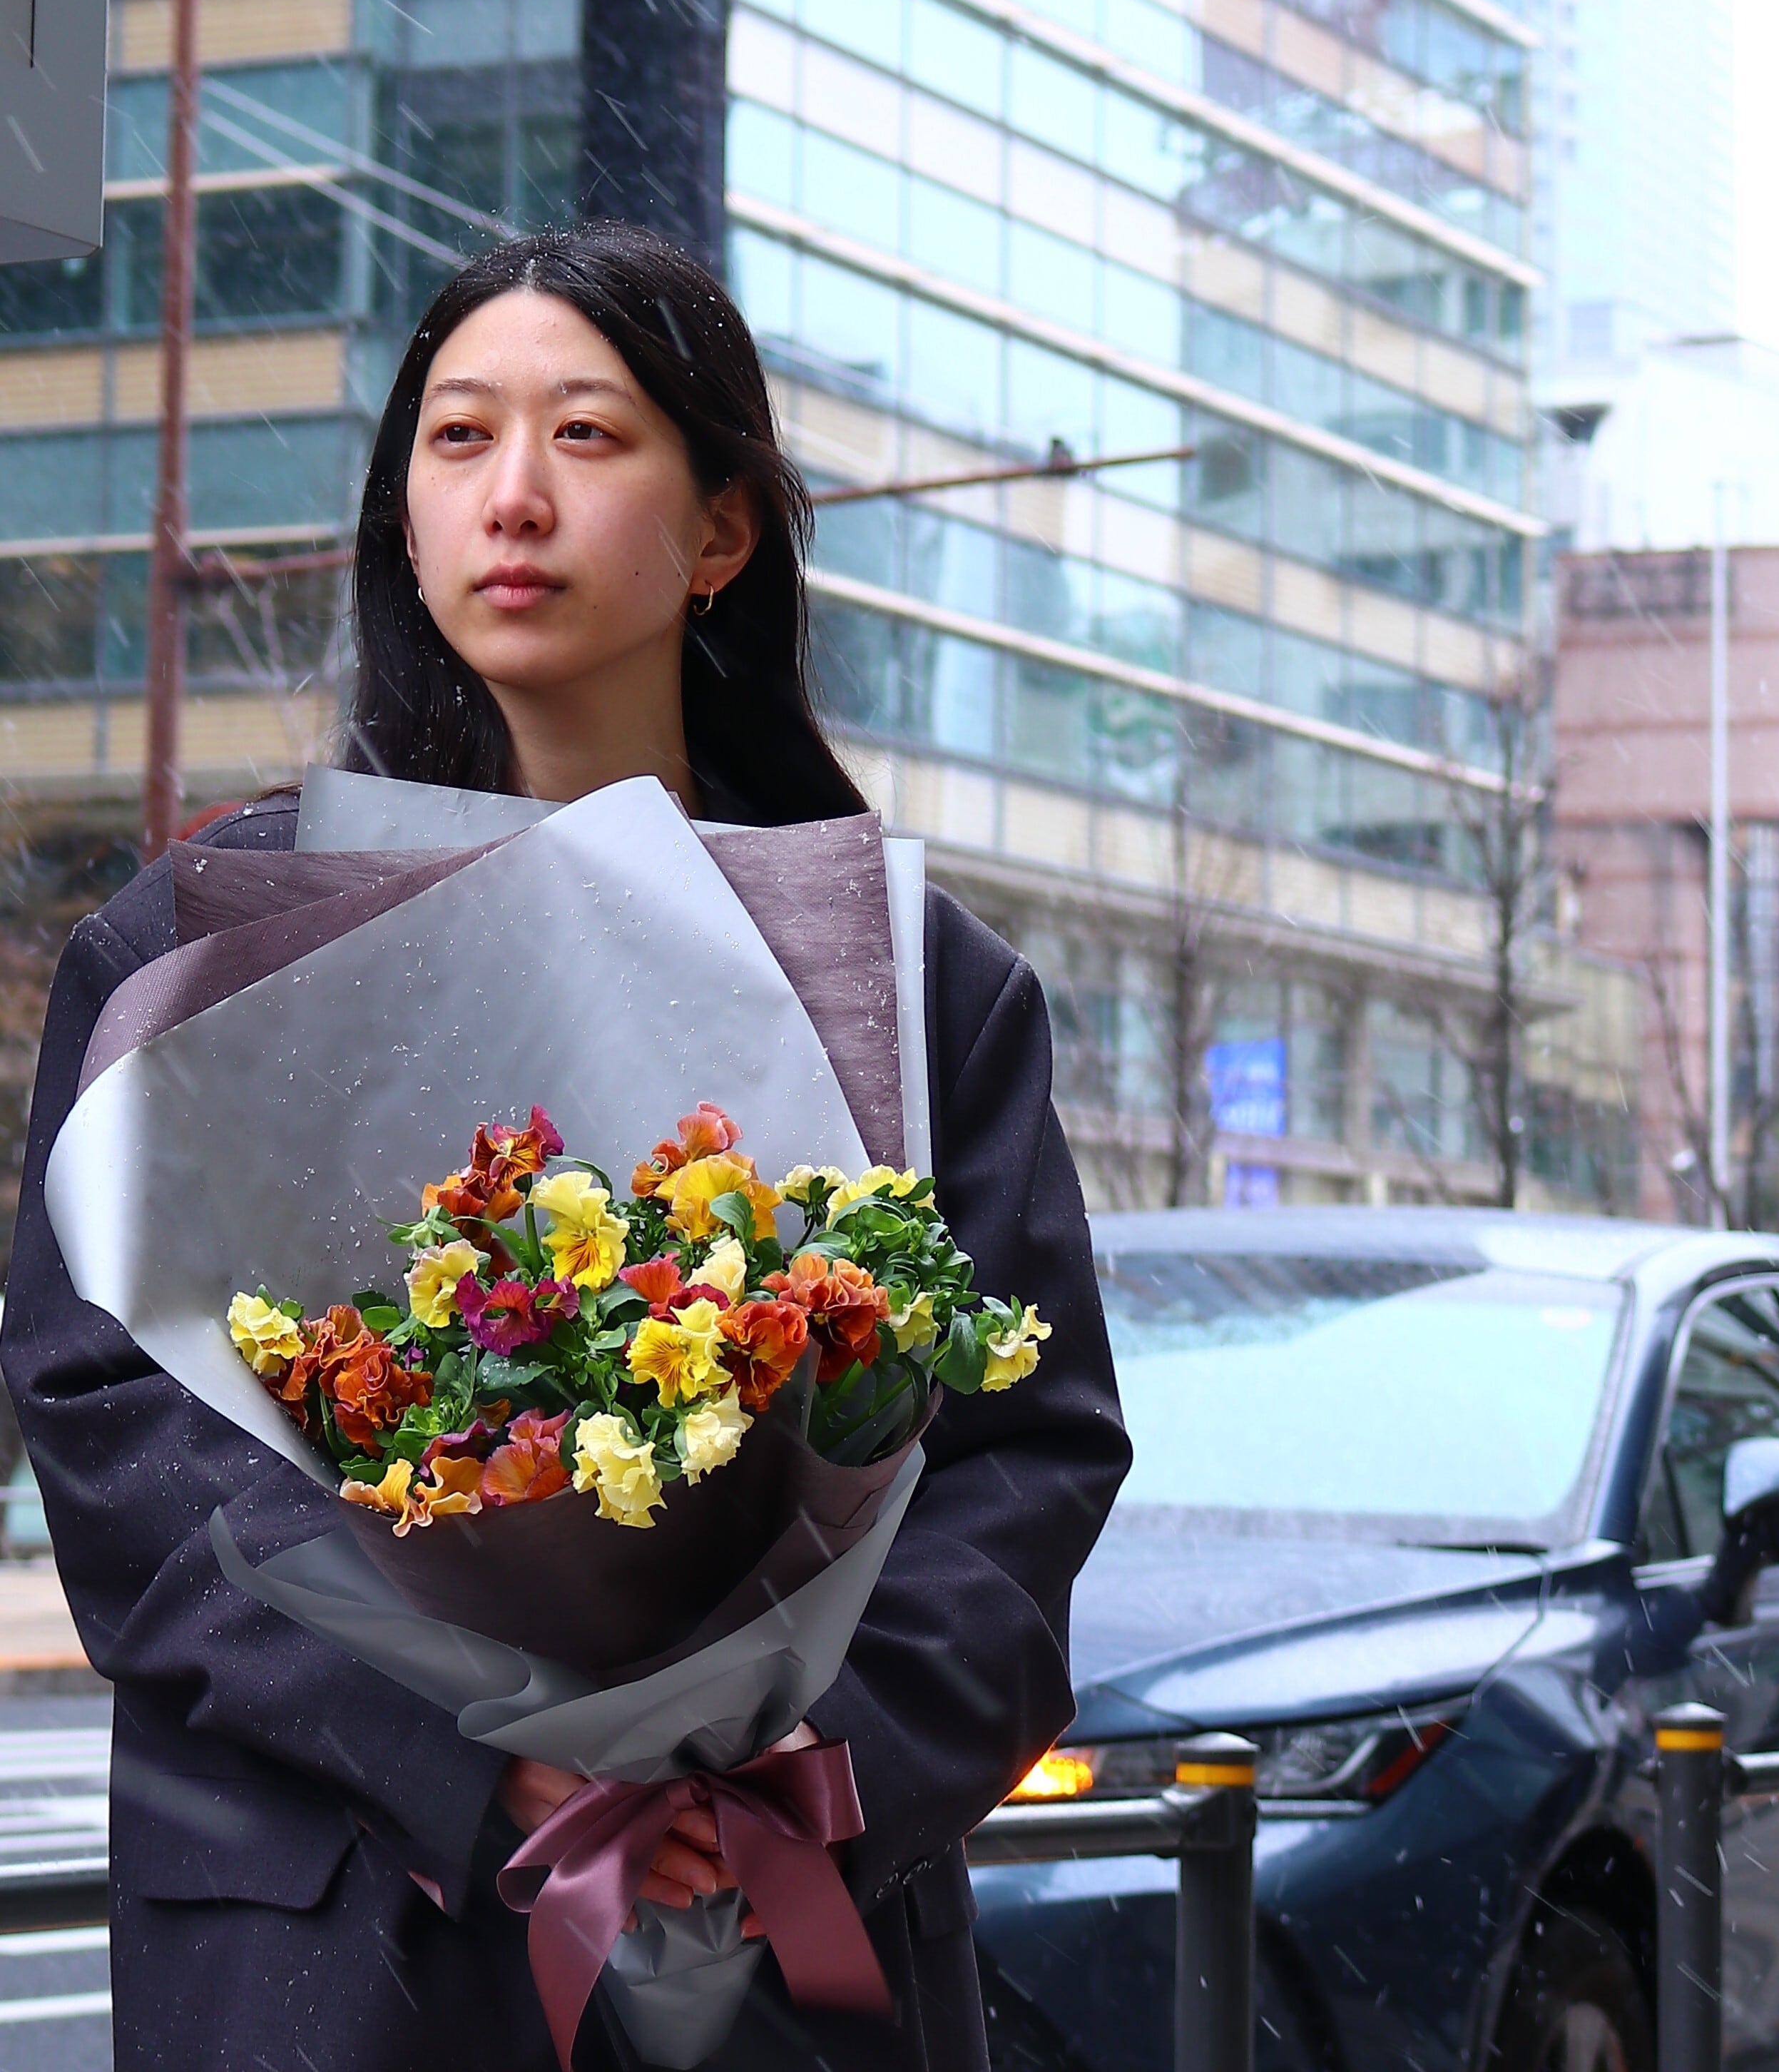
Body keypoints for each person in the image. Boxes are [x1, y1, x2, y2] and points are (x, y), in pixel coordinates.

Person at [0, 221, 1131, 2071]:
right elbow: (121, 1439)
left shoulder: (921, 986)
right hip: (331, 1941)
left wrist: (800, 1762)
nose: (513, 497)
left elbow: (1025, 1460)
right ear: (405, 516)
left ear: (722, 532)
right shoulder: (189, 953)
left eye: (589, 437)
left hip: (767, 1929)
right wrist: (466, 1746)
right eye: (458, 440)